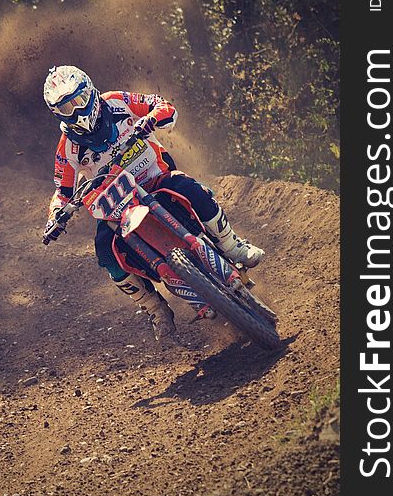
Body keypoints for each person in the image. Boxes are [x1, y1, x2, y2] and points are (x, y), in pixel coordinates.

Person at [42, 65, 264, 341]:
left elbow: (161, 105)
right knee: (105, 250)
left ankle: (233, 245)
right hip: (117, 205)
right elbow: (62, 192)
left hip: (155, 179)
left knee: (188, 188)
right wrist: (55, 216)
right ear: (57, 114)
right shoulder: (68, 148)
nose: (76, 111)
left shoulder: (116, 102)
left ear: (89, 91)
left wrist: (150, 119)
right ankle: (154, 308)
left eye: (78, 100)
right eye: (66, 108)